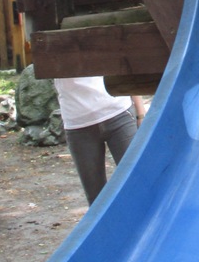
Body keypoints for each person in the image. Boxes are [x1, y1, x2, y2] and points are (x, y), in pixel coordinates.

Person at [53, 76, 146, 205]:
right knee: (96, 199)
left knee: (137, 184)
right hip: (78, 122)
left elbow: (127, 70)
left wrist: (141, 114)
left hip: (119, 112)